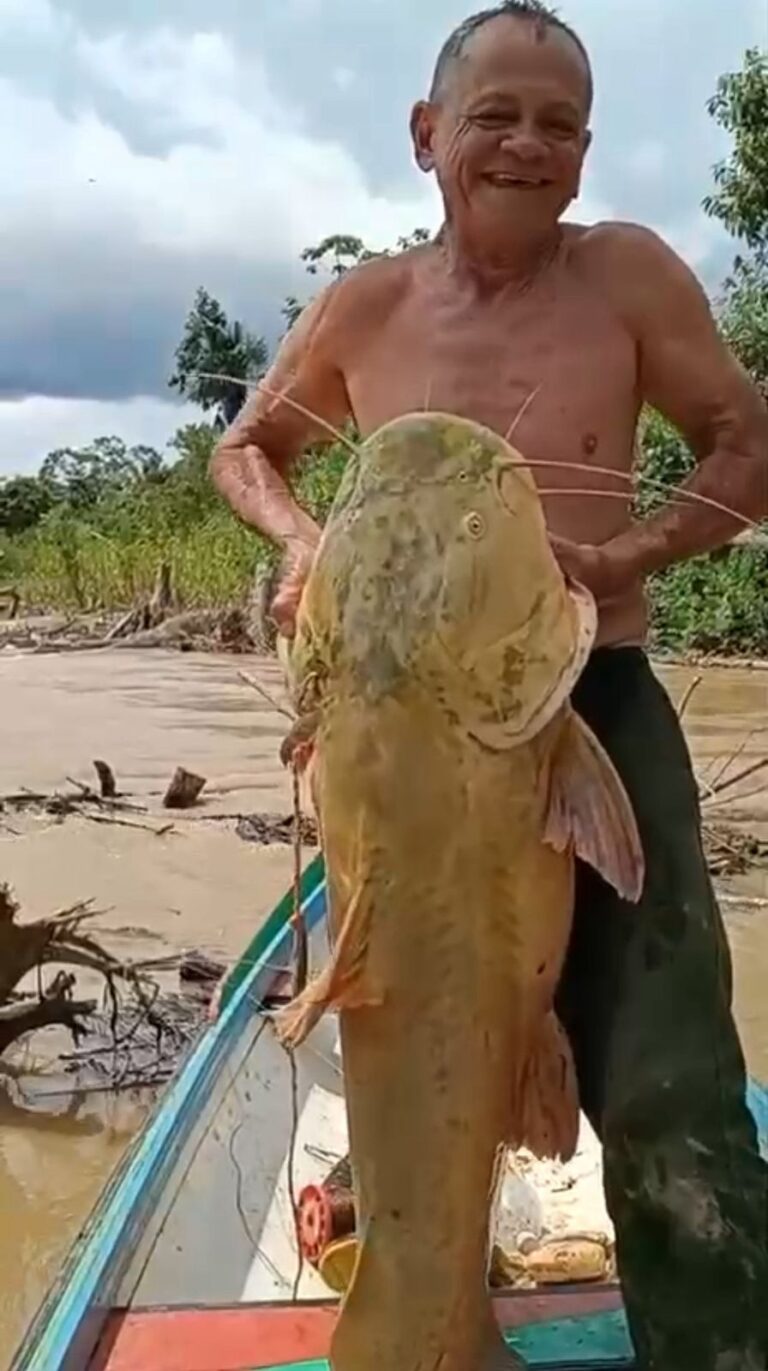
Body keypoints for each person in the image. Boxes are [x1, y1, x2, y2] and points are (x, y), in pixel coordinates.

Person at [210, 4, 768, 1366]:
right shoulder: (367, 307)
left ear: (586, 151)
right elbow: (249, 450)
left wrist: (619, 553)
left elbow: (747, 444)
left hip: (592, 700)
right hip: (389, 735)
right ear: (426, 136)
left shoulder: (629, 277)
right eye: (495, 115)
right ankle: (421, 1305)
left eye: (560, 122)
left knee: (668, 1077)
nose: (528, 144)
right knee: (399, 1018)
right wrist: (305, 548)